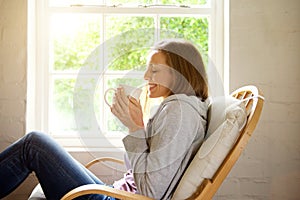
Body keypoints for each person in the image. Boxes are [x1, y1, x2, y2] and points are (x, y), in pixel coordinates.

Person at [0, 39, 209, 200]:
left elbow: (151, 192)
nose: (146, 76)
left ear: (180, 74)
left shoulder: (180, 111)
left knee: (34, 144)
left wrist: (135, 128)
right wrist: (136, 126)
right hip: (118, 193)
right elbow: (148, 171)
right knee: (38, 146)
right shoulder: (177, 109)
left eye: (154, 70)